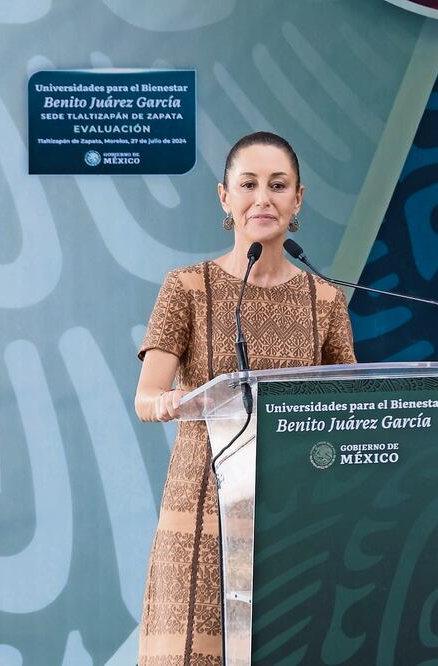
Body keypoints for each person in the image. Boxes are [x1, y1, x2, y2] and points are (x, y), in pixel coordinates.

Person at [134, 131, 356, 664]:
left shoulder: (325, 299)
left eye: (277, 186)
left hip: (295, 507)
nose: (263, 199)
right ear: (224, 197)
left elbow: (348, 405)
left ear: (298, 199)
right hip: (203, 503)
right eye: (248, 185)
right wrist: (169, 402)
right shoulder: (188, 287)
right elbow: (146, 397)